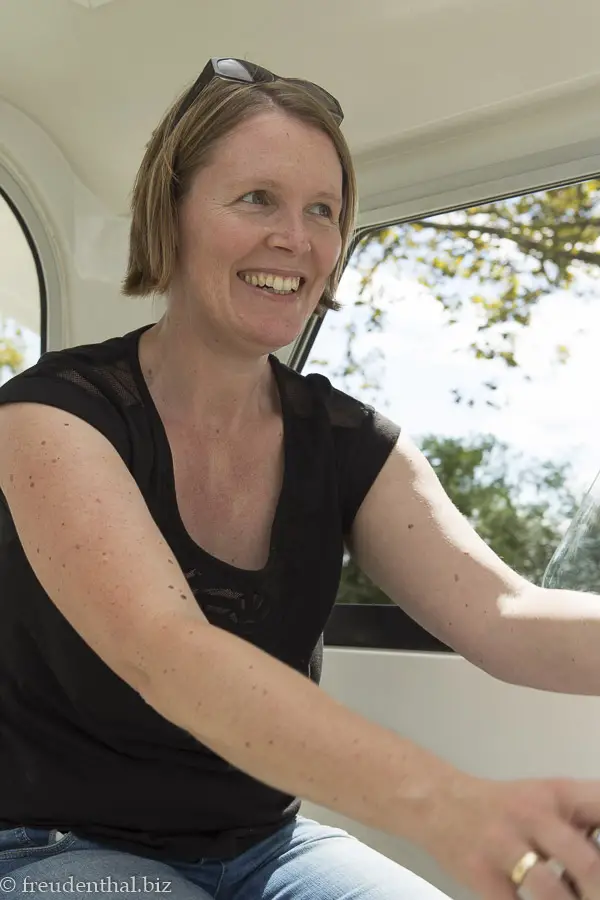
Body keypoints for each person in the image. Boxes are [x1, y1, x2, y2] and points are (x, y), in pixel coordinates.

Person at [1, 57, 600, 900]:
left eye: (324, 210)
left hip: (268, 848)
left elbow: (505, 614)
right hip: (51, 850)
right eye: (258, 200)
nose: (299, 238)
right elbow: (171, 655)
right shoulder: (50, 417)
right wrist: (454, 808)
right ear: (171, 216)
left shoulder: (348, 443)